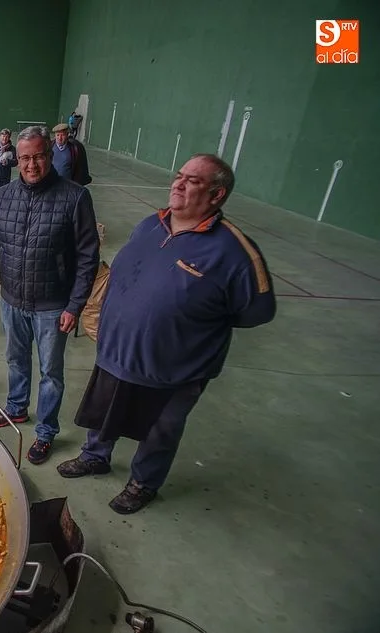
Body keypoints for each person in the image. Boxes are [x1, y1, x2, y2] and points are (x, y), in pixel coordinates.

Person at [57, 154, 276, 514]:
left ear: (217, 195)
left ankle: (143, 483)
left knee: (162, 427)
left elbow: (257, 311)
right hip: (119, 351)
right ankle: (95, 456)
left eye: (192, 181)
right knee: (106, 410)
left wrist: (190, 325)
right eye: (179, 175)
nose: (178, 183)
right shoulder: (150, 224)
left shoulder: (234, 251)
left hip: (176, 366)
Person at [0, 125, 99, 465]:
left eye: (38, 157)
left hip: (53, 305)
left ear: (49, 155)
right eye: (25, 158)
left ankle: (46, 431)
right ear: (16, 160)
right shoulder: (4, 195)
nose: (31, 165)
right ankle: (17, 408)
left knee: (51, 373)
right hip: (12, 298)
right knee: (16, 359)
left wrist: (75, 306)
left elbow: (88, 256)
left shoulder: (75, 197)